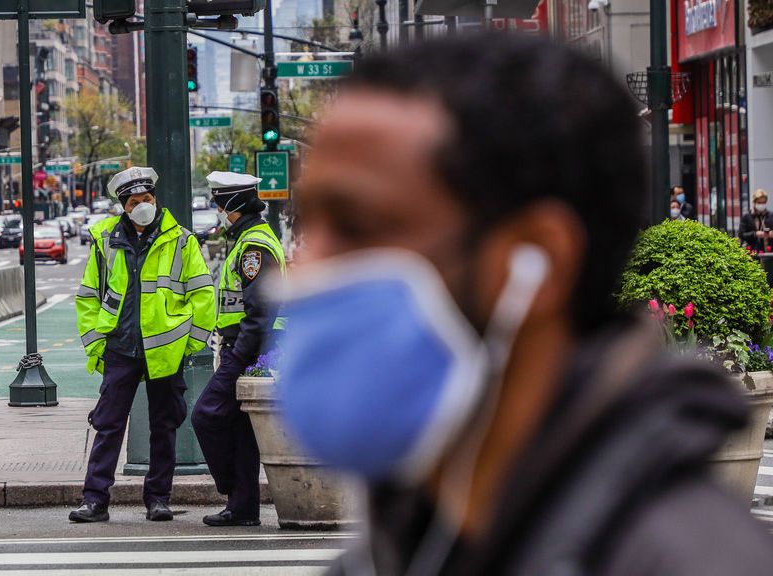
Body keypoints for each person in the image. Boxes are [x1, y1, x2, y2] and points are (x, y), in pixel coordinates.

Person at [276, 35, 773, 575]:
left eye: (356, 226)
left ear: (534, 262)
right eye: (310, 225)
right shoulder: (391, 554)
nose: (307, 270)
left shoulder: (695, 562)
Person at [71, 166, 215, 523]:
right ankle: (94, 499)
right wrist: (96, 346)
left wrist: (190, 345)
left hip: (165, 351)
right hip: (120, 348)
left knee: (164, 425)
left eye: (147, 199)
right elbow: (89, 296)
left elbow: (203, 294)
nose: (143, 206)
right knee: (108, 424)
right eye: (135, 201)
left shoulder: (181, 239)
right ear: (123, 206)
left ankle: (158, 498)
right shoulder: (105, 240)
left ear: (155, 199)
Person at [191, 171, 286, 527]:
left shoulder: (254, 246)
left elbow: (259, 312)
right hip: (248, 348)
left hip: (249, 350)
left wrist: (236, 360)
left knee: (207, 415)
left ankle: (231, 489)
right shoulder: (248, 239)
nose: (216, 210)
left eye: (219, 203)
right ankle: (242, 507)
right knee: (240, 430)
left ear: (232, 204)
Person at [740, 188, 773, 253]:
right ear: (754, 202)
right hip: (752, 252)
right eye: (759, 202)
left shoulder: (770, 216)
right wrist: (755, 234)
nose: (761, 205)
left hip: (769, 253)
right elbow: (741, 234)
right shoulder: (747, 217)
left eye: (763, 202)